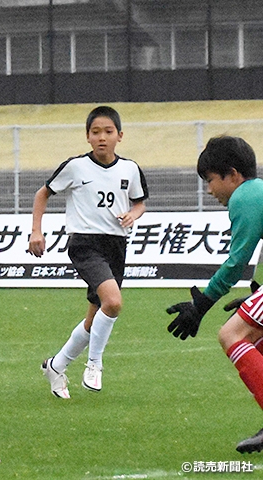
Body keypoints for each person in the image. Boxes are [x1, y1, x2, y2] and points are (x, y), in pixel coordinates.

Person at [28, 105, 148, 399]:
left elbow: (139, 202)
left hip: (116, 245)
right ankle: (94, 364)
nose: (102, 138)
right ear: (87, 137)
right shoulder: (76, 167)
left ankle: (56, 366)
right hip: (85, 244)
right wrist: (36, 230)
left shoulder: (130, 169)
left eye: (108, 132)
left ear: (120, 135)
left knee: (95, 318)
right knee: (114, 302)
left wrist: (134, 214)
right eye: (96, 132)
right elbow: (42, 193)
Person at [166, 135, 263, 454]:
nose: (209, 190)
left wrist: (201, 305)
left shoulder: (245, 196)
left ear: (232, 175)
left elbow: (238, 261)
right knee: (256, 338)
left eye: (210, 180)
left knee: (231, 334)